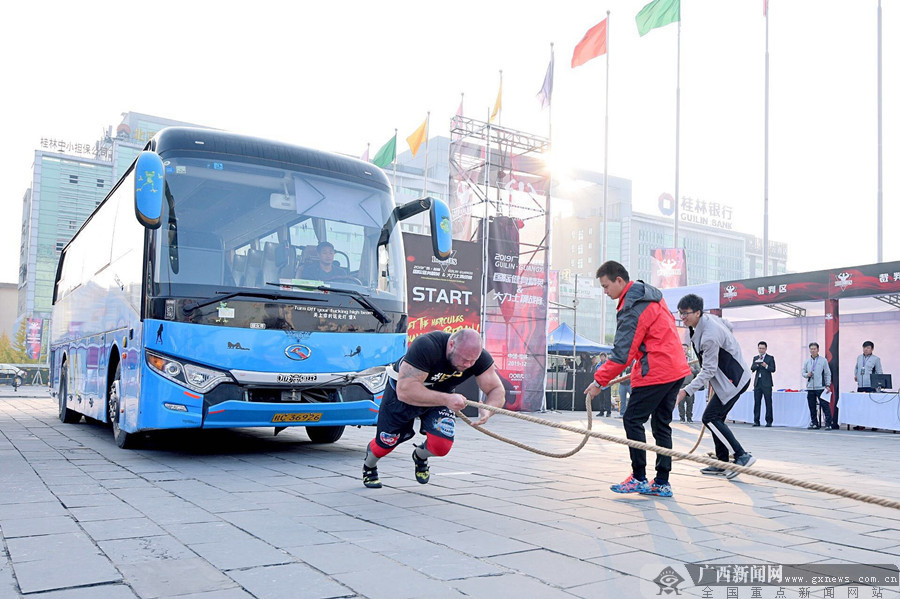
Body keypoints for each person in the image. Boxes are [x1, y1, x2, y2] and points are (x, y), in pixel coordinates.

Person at [584, 261, 690, 498]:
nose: (604, 292)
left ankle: (639, 477)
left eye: (606, 286)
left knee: (632, 419)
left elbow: (623, 355)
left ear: (619, 280)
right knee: (661, 424)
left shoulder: (632, 307)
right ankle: (662, 482)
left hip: (656, 370)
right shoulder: (652, 296)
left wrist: (599, 382)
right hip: (675, 368)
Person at [361, 328, 505, 489]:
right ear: (451, 345)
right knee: (385, 444)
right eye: (464, 359)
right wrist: (448, 399)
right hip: (402, 396)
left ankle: (420, 455)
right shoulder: (427, 346)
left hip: (440, 396)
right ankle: (369, 465)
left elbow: (496, 390)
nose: (468, 365)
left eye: (472, 361)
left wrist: (488, 409)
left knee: (441, 445)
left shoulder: (477, 357)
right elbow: (405, 391)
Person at [677, 294, 756, 480]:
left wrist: (685, 391)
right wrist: (728, 343)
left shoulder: (709, 336)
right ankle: (721, 462)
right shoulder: (705, 321)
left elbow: (708, 371)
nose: (683, 317)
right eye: (680, 313)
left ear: (698, 312)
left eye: (686, 313)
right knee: (715, 418)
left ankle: (741, 455)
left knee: (710, 417)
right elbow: (729, 325)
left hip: (734, 381)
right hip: (726, 379)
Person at [802, 342, 833, 429]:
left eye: (814, 349)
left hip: (821, 387)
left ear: (818, 350)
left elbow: (827, 373)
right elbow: (803, 372)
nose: (813, 350)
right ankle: (815, 423)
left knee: (824, 405)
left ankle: (828, 423)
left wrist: (827, 384)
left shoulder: (823, 360)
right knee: (812, 406)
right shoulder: (807, 361)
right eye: (811, 349)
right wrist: (807, 374)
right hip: (810, 387)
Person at [750, 341, 776, 427]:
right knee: (757, 402)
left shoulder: (770, 358)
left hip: (767, 383)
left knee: (768, 402)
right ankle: (756, 421)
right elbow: (752, 368)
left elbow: (773, 369)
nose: (761, 350)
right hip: (757, 383)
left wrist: (766, 366)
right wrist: (757, 365)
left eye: (762, 348)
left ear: (766, 349)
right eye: (759, 348)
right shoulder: (755, 358)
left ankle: (769, 421)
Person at [678, 343, 699, 423]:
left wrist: (693, 370)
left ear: (688, 350)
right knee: (680, 403)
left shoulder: (693, 360)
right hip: (680, 384)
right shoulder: (677, 359)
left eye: (685, 349)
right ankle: (682, 418)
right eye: (682, 349)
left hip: (690, 384)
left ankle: (689, 418)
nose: (683, 350)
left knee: (690, 403)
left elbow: (699, 371)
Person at [593, 353, 613, 417]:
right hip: (600, 385)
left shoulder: (608, 364)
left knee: (607, 399)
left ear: (605, 357)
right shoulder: (597, 366)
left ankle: (608, 412)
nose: (602, 358)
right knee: (601, 399)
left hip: (607, 384)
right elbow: (596, 374)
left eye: (603, 357)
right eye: (601, 357)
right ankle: (601, 411)